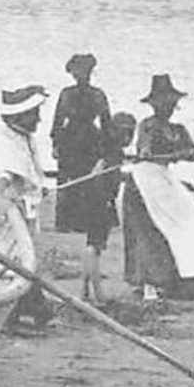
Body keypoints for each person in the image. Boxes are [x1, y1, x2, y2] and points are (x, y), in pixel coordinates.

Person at [120, 74, 194, 302]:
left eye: (171, 104)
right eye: (163, 103)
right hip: (144, 179)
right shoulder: (148, 126)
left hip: (164, 178)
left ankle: (187, 273)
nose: (168, 108)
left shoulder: (178, 129)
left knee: (189, 218)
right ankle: (149, 283)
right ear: (154, 104)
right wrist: (174, 154)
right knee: (148, 230)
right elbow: (145, 152)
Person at [0, 85, 54, 325]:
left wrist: (38, 188)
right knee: (14, 260)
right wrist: (0, 202)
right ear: (20, 115)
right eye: (34, 114)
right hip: (3, 211)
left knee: (22, 259)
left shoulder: (23, 136)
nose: (39, 119)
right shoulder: (5, 141)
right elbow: (6, 177)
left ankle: (30, 308)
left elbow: (27, 173)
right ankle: (29, 310)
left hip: (20, 209)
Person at [70, 110, 136, 301]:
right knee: (95, 246)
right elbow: (103, 175)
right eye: (126, 133)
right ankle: (97, 293)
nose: (129, 138)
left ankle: (85, 289)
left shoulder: (104, 147)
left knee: (93, 245)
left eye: (131, 134)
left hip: (94, 198)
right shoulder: (113, 151)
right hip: (100, 200)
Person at [50, 53, 112, 234]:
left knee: (88, 182)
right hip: (69, 141)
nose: (81, 76)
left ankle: (83, 222)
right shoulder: (67, 93)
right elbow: (57, 120)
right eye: (77, 73)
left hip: (90, 141)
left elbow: (106, 123)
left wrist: (107, 150)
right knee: (66, 181)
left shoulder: (97, 94)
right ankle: (64, 222)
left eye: (84, 72)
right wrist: (55, 143)